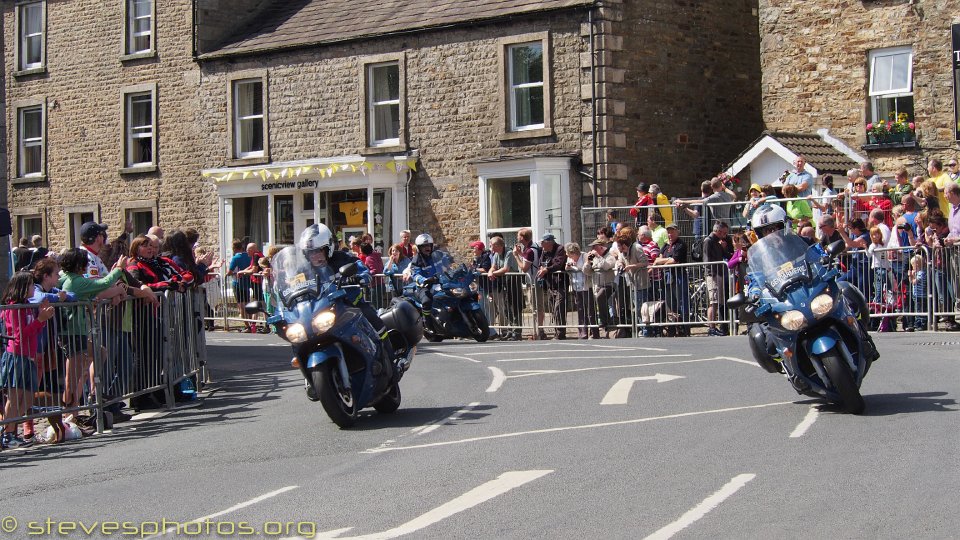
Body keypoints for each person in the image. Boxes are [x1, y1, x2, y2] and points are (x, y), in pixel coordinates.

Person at [1, 273, 55, 449]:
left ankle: (9, 431)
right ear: (23, 287)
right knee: (15, 397)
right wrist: (40, 319)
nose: (34, 288)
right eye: (31, 285)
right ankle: (8, 433)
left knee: (28, 397)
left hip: (28, 356)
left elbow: (35, 329)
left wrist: (42, 316)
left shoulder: (26, 307)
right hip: (17, 356)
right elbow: (19, 335)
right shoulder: (15, 307)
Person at [408, 233, 452, 329]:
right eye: (423, 246)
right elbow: (415, 274)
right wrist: (424, 280)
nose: (426, 248)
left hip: (441, 281)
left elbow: (448, 265)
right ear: (419, 248)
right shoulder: (416, 260)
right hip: (425, 285)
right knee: (427, 301)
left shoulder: (439, 254)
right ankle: (427, 321)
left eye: (428, 245)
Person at [653, 223, 689, 336]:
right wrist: (664, 260)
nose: (670, 234)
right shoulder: (665, 245)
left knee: (682, 302)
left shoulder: (680, 244)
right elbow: (658, 259)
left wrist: (663, 261)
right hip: (667, 277)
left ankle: (685, 328)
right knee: (670, 303)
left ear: (677, 232)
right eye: (668, 232)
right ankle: (674, 328)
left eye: (672, 231)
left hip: (678, 276)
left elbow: (674, 261)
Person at [487, 235, 522, 341]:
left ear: (498, 245)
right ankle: (510, 331)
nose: (490, 247)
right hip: (504, 282)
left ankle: (517, 332)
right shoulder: (496, 254)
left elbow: (505, 269)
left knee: (514, 307)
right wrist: (490, 272)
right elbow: (494, 266)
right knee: (506, 308)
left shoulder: (509, 253)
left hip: (513, 281)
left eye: (491, 245)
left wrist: (493, 274)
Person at [513, 228, 546, 339]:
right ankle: (538, 330)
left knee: (537, 307)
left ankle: (539, 331)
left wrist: (516, 255)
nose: (517, 237)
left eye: (518, 235)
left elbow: (524, 267)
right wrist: (520, 253)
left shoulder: (530, 250)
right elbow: (528, 259)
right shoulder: (532, 248)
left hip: (534, 281)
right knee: (536, 307)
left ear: (522, 237)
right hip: (534, 280)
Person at [703, 221, 733, 336]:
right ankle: (711, 327)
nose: (725, 236)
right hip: (713, 274)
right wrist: (713, 273)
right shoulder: (709, 241)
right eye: (724, 233)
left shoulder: (718, 242)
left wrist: (723, 248)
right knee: (713, 302)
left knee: (717, 301)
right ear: (719, 231)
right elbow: (707, 260)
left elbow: (726, 255)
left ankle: (714, 327)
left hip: (719, 273)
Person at [582, 238, 617, 335]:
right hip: (597, 286)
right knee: (599, 300)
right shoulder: (594, 258)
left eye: (595, 247)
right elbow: (586, 272)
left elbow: (606, 266)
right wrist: (587, 262)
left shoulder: (610, 256)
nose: (593, 249)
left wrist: (598, 256)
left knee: (600, 297)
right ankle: (605, 321)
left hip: (609, 284)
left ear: (601, 247)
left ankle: (604, 320)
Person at [537, 234, 569, 340]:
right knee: (554, 310)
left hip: (560, 283)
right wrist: (542, 268)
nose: (541, 244)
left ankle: (560, 333)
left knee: (558, 308)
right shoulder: (544, 251)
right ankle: (558, 332)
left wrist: (546, 269)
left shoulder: (560, 249)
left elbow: (558, 264)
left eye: (543, 242)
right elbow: (541, 263)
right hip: (550, 284)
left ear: (549, 242)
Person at [565, 242, 599, 339]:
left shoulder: (584, 256)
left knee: (590, 310)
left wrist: (576, 267)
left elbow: (587, 269)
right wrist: (568, 267)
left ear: (574, 252)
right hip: (576, 287)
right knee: (580, 310)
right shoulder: (569, 258)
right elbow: (567, 269)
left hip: (586, 286)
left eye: (570, 254)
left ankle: (594, 333)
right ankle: (582, 333)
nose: (569, 256)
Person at [226, 239, 252, 331]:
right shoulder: (248, 256)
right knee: (247, 303)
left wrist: (227, 272)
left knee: (241, 304)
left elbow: (229, 271)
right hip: (247, 282)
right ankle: (251, 323)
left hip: (237, 282)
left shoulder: (235, 258)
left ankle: (247, 325)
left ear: (234, 248)